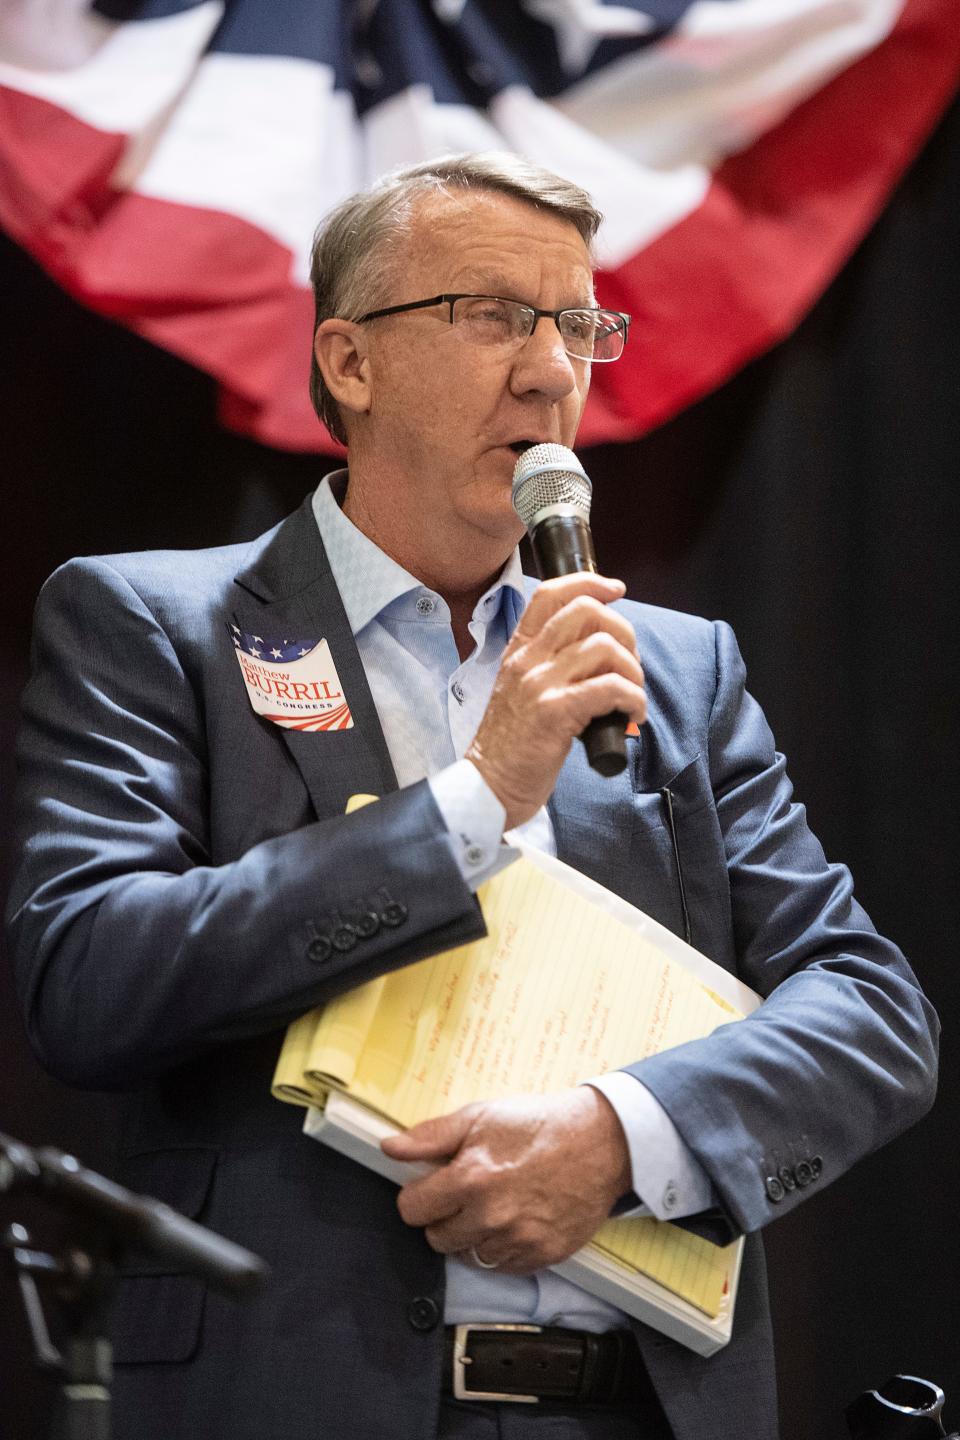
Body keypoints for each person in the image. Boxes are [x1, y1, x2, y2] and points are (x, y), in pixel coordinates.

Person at [6, 153, 937, 1440]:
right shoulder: (157, 625)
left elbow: (872, 1014)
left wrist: (625, 1137)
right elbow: (87, 979)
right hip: (296, 1397)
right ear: (350, 362)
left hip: (639, 1412)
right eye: (494, 315)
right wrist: (476, 796)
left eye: (580, 325)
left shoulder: (671, 666)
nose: (553, 370)